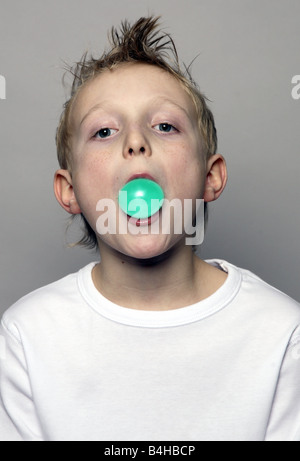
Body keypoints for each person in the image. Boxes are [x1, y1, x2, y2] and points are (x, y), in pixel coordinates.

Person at [1, 16, 300, 442]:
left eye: (165, 126)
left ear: (210, 177)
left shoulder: (282, 333)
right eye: (104, 131)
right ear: (70, 191)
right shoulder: (26, 336)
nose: (136, 142)